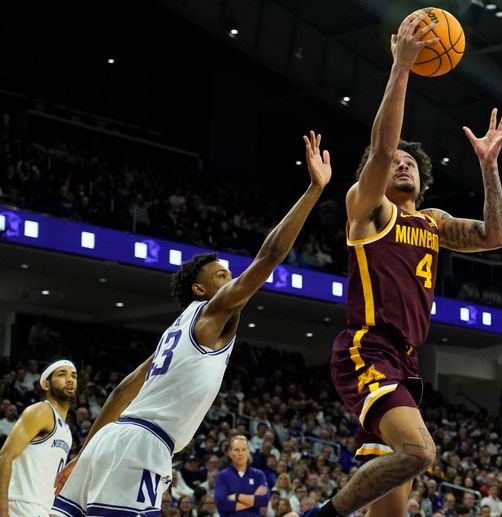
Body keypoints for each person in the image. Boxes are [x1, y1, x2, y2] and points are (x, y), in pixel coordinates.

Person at [51, 131, 332, 517]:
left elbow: (120, 391)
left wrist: (83, 454)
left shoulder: (175, 332)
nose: (231, 281)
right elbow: (269, 255)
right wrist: (314, 190)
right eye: (222, 277)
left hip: (111, 440)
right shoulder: (211, 315)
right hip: (143, 444)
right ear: (201, 289)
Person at [310, 11, 502, 517]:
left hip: (405, 360)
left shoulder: (432, 222)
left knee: (393, 508)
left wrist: (489, 168)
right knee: (421, 452)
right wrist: (401, 67)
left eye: (411, 163)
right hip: (367, 349)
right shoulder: (369, 208)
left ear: (422, 182)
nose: (401, 162)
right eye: (395, 161)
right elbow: (380, 148)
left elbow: (495, 236)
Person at [0, 360, 76, 517]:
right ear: (46, 384)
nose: (70, 380)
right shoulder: (42, 410)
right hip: (19, 505)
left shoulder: (67, 430)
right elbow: (4, 456)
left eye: (74, 376)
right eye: (62, 374)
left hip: (41, 508)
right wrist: (2, 511)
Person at [215, 435, 269, 516]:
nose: (240, 453)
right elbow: (222, 505)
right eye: (236, 450)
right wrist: (253, 498)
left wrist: (237, 497)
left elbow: (263, 500)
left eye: (244, 449)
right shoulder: (222, 476)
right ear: (230, 453)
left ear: (248, 452)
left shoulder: (258, 475)